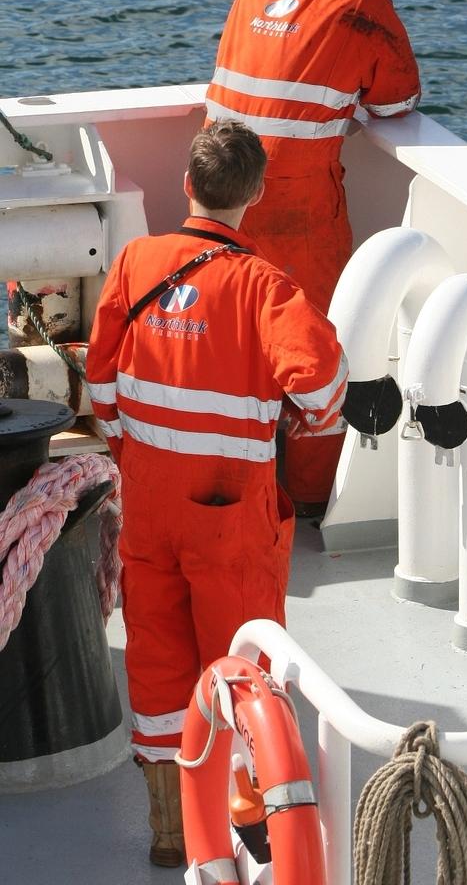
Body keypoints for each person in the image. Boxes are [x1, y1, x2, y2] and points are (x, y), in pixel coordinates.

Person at [86, 119, 348, 868]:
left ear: (187, 185)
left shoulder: (136, 262)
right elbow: (322, 389)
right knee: (240, 664)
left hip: (149, 502)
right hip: (229, 518)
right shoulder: (265, 287)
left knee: (156, 656)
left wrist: (135, 454)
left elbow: (100, 383)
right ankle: (246, 829)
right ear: (256, 194)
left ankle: (170, 834)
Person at [205, 0, 420, 515]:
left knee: (236, 349)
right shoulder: (362, 2)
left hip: (218, 198)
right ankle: (308, 497)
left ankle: (231, 490)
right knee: (317, 351)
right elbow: (399, 101)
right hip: (297, 213)